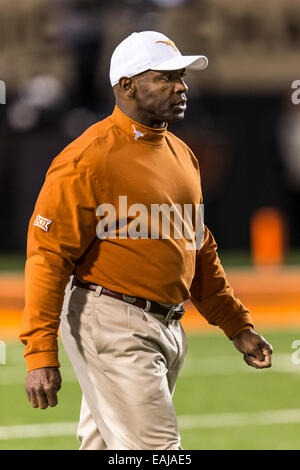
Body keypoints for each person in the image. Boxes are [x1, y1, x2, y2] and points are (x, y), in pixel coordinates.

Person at [20, 31, 273, 450]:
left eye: (183, 76)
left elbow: (198, 250)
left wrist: (235, 324)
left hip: (166, 323)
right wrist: (39, 353)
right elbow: (47, 256)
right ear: (127, 86)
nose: (182, 86)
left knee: (106, 447)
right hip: (113, 320)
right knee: (157, 452)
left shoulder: (181, 153)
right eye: (166, 77)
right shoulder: (88, 158)